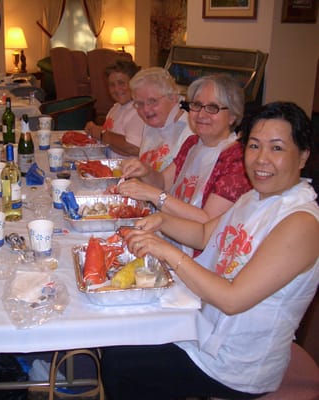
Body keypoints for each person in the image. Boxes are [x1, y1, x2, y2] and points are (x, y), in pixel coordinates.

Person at [101, 101, 319, 399]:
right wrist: (161, 220)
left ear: (303, 156)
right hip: (207, 329)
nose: (261, 159)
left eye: (277, 148)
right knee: (125, 328)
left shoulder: (302, 223)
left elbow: (232, 299)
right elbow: (205, 234)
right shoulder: (256, 197)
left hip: (237, 364)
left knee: (121, 362)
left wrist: (167, 251)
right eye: (254, 146)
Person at [117, 74, 252, 254]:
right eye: (196, 105)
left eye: (212, 107)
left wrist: (155, 195)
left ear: (233, 116)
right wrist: (145, 171)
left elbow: (207, 223)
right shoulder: (192, 143)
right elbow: (164, 183)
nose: (201, 114)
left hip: (203, 257)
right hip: (169, 238)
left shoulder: (237, 159)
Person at [129, 67, 194, 172]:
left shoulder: (190, 131)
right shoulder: (150, 125)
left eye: (153, 101)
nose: (146, 109)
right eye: (140, 104)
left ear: (173, 98)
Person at [84, 59, 143, 157]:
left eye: (121, 83)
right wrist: (94, 130)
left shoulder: (139, 111)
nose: (116, 89)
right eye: (112, 85)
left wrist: (101, 134)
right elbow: (109, 138)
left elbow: (133, 148)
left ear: (134, 83)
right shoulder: (116, 108)